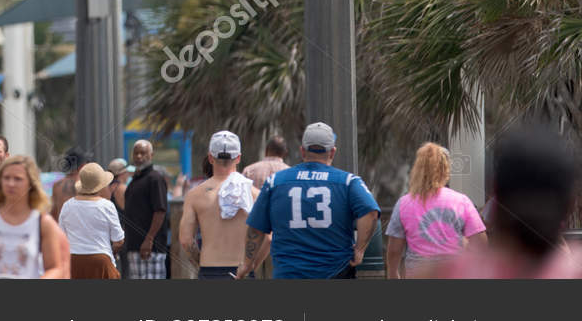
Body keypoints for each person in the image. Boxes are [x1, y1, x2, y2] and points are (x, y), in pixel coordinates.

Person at [432, 127, 580, 279]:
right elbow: (480, 234)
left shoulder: (449, 273)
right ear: (570, 203)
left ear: (498, 194)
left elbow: (484, 228)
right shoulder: (573, 270)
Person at [241, 121, 378, 279]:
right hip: (335, 271)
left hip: (289, 272)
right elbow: (371, 213)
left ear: (302, 151)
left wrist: (247, 263)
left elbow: (256, 228)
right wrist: (360, 249)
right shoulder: (348, 182)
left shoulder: (275, 182)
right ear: (332, 152)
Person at [383, 142, 485, 278]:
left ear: (417, 169)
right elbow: (481, 243)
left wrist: (393, 273)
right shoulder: (462, 201)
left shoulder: (403, 203)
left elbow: (395, 250)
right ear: (446, 170)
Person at [180, 131, 258, 279]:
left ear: (210, 158)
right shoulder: (254, 194)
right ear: (238, 158)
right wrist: (250, 265)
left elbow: (186, 240)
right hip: (242, 268)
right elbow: (267, 238)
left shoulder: (194, 195)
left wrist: (200, 262)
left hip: (209, 268)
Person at [57, 162, 126, 278]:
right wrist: (112, 252)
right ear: (101, 185)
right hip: (101, 261)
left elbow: (60, 238)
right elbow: (119, 240)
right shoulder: (107, 206)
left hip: (73, 261)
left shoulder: (67, 205)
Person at [121, 140, 171, 279]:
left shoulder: (155, 179)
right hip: (134, 246)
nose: (138, 156)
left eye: (143, 153)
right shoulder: (135, 180)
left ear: (151, 155)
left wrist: (149, 240)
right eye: (136, 153)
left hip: (150, 249)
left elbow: (160, 211)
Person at [50, 149, 87, 222]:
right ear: (82, 165)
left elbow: (53, 213)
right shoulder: (87, 184)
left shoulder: (57, 185)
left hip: (62, 230)